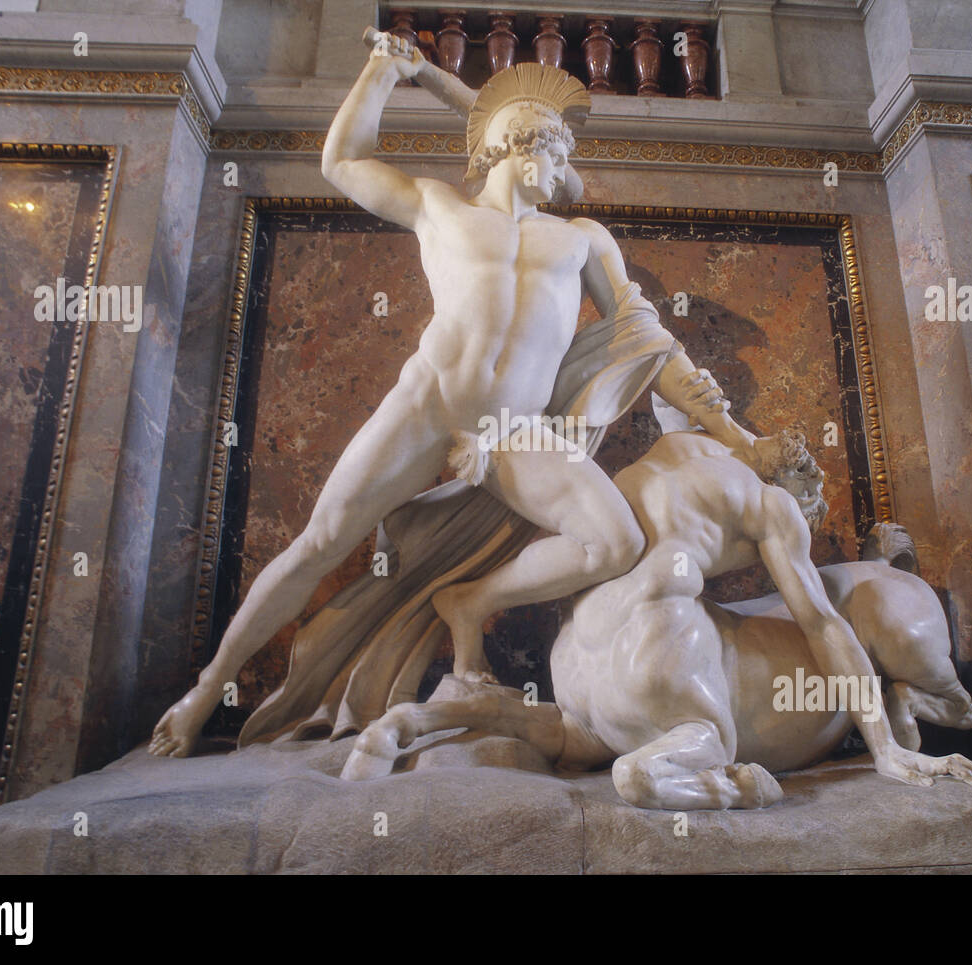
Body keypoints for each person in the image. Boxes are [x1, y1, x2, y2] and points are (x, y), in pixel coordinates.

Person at [149, 38, 757, 757]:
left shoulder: (581, 241)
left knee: (616, 540)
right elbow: (341, 162)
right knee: (319, 540)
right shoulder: (439, 207)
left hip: (513, 432)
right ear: (518, 148)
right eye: (558, 155)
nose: (569, 174)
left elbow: (645, 336)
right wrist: (383, 71)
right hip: (427, 407)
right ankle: (205, 687)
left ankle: (470, 599)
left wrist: (735, 434)